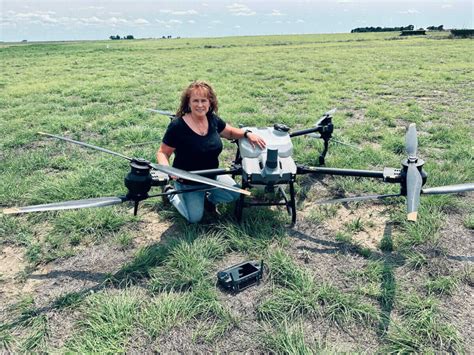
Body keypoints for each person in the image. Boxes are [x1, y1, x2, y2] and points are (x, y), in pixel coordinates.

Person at [156, 81, 266, 223]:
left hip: (213, 176)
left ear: (210, 102)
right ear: (188, 103)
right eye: (195, 100)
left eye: (204, 100)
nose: (200, 105)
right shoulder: (177, 126)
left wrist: (246, 134)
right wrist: (169, 170)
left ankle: (209, 200)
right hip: (188, 181)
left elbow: (231, 132)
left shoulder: (212, 119)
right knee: (194, 218)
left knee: (235, 194)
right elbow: (162, 153)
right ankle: (170, 193)